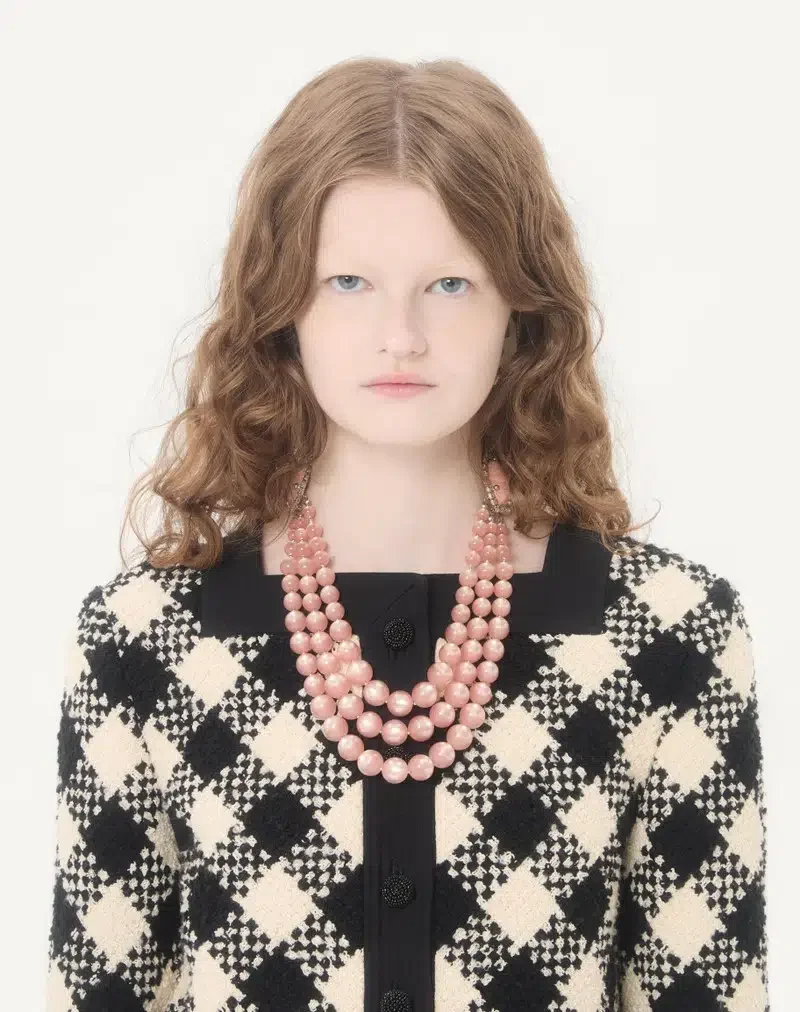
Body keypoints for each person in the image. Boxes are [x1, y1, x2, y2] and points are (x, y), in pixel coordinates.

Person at [45, 56, 770, 1012]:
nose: (401, 334)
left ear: (520, 310)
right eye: (348, 281)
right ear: (281, 306)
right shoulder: (144, 641)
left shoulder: (669, 635)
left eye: (451, 284)